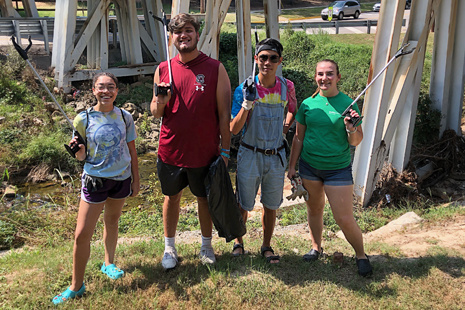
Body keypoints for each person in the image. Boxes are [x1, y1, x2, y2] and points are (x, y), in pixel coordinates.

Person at [150, 13, 231, 269]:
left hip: (204, 152)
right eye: (177, 32)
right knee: (171, 197)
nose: (183, 35)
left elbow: (224, 114)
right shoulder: (164, 69)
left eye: (188, 30)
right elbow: (155, 112)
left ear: (197, 34)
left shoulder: (215, 68)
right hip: (170, 150)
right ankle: (169, 248)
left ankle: (206, 245)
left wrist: (226, 151)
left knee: (203, 199)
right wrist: (160, 100)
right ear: (172, 37)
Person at [53, 72, 140, 304]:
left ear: (117, 91)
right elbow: (82, 156)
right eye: (101, 87)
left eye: (111, 87)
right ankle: (76, 285)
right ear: (93, 90)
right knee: (82, 234)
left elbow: (131, 151)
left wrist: (136, 180)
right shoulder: (83, 119)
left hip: (121, 179)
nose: (106, 91)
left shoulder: (124, 117)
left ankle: (108, 263)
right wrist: (77, 151)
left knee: (112, 222)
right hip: (95, 181)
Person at [287, 59, 373, 276]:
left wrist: (350, 128)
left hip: (337, 168)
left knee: (343, 218)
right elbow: (298, 137)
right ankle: (316, 247)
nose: (324, 78)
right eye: (320, 74)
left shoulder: (349, 104)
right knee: (314, 209)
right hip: (309, 167)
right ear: (315, 77)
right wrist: (291, 167)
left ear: (338, 77)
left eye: (329, 74)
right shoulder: (307, 104)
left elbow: (356, 142)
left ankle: (361, 255)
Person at [230, 38, 297, 263]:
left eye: (273, 58)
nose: (267, 62)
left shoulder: (287, 87)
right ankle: (239, 242)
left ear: (279, 61)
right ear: (256, 59)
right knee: (243, 203)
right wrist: (246, 105)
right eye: (263, 57)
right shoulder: (244, 88)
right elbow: (233, 129)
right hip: (249, 154)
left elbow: (292, 109)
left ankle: (266, 246)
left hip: (275, 155)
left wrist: (285, 129)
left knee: (271, 205)